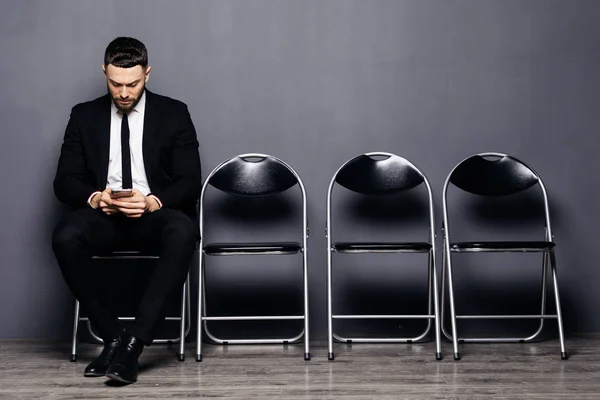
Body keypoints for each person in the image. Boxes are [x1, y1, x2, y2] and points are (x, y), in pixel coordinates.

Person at [52, 37, 201, 384]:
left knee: (183, 232)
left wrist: (152, 201)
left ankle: (133, 345)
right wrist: (95, 198)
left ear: (147, 74)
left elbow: (190, 180)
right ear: (104, 73)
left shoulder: (174, 112)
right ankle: (113, 336)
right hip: (105, 217)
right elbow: (64, 181)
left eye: (132, 84)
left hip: (152, 215)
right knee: (65, 235)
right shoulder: (83, 115)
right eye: (115, 83)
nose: (123, 92)